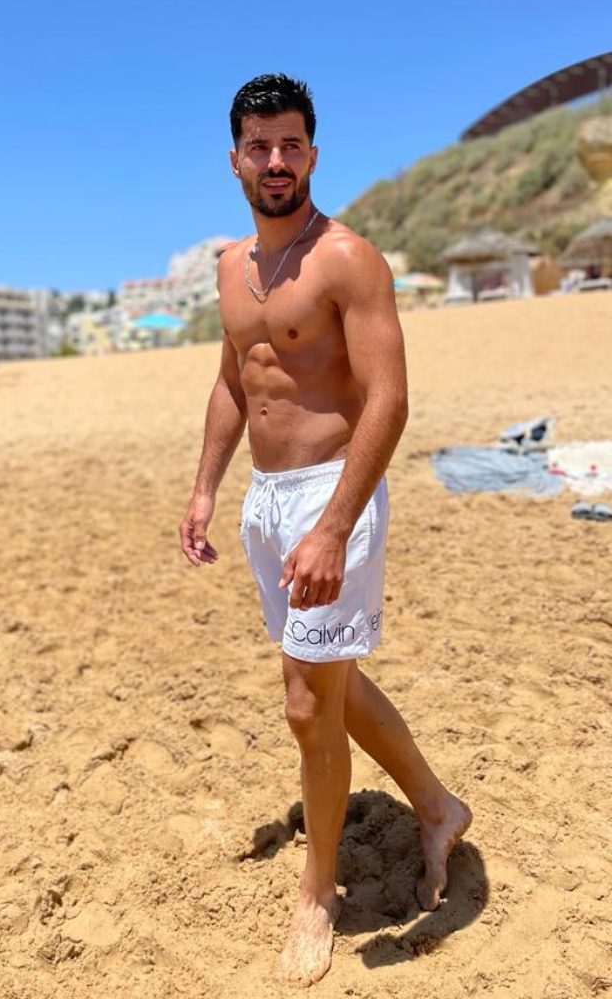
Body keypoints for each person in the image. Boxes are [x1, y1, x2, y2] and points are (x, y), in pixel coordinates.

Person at [180, 74, 471, 987]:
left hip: (332, 495)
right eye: (259, 146)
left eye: (291, 145)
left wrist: (335, 525)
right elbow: (236, 380)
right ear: (234, 159)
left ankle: (318, 895)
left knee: (306, 704)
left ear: (312, 153)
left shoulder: (349, 259)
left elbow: (390, 399)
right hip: (268, 500)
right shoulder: (230, 266)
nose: (276, 161)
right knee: (329, 679)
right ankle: (437, 807)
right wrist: (204, 490)